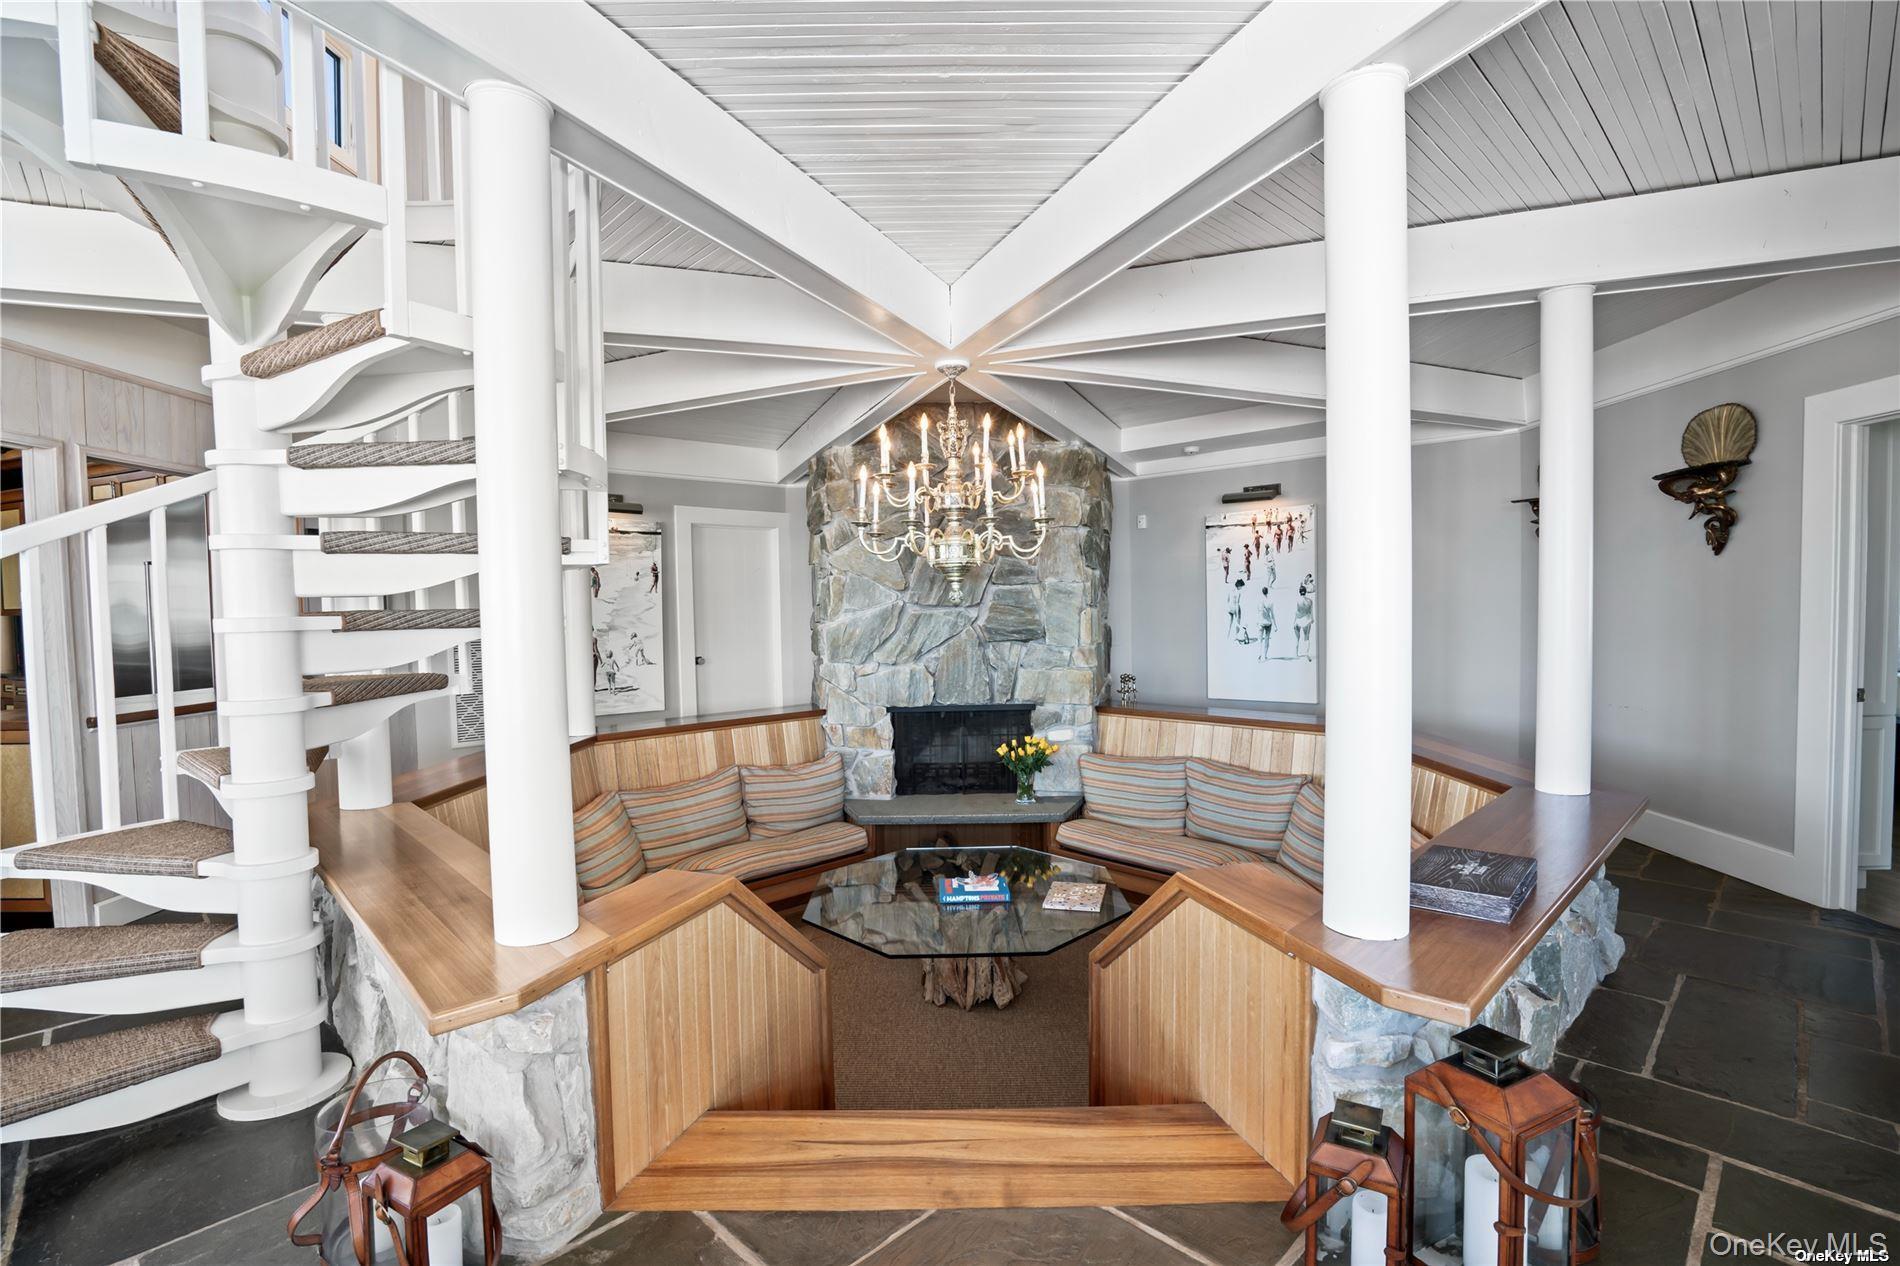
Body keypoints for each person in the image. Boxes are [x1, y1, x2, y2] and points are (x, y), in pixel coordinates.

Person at [1294, 574, 1316, 660]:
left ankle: (1296, 654)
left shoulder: (1297, 600)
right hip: (1306, 621)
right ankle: (1307, 653)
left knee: (1297, 639)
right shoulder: (1310, 601)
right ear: (1306, 592)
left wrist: (1294, 621)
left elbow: (1295, 612)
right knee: (1306, 638)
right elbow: (1311, 611)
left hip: (1298, 621)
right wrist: (1312, 619)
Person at [1258, 589, 1277, 659]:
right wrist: (1275, 626)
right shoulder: (1270, 602)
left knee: (1260, 639)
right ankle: (1265, 655)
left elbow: (1258, 612)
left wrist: (1257, 622)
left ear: (1262, 592)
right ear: (1267, 592)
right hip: (1268, 622)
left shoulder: (1259, 601)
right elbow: (1272, 615)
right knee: (1267, 639)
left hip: (1261, 622)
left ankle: (1259, 653)